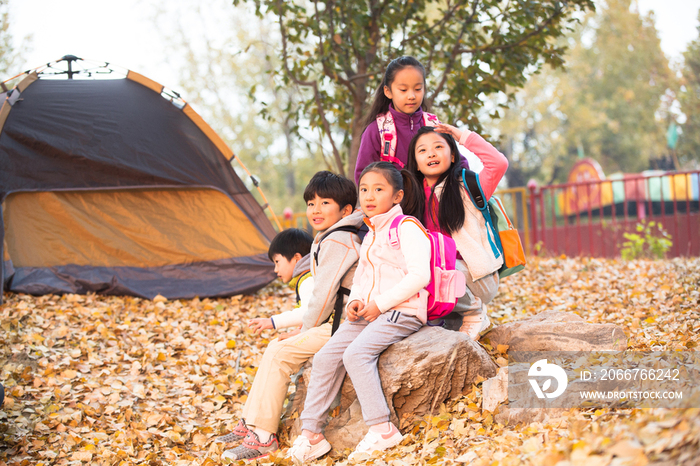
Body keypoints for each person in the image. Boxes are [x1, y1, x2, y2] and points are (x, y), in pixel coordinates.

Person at [288, 162, 431, 463]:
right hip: (371, 311)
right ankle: (311, 435)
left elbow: (420, 276)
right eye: (364, 189)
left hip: (401, 312)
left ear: (397, 196)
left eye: (378, 189)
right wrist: (358, 301)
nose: (369, 195)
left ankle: (383, 430)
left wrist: (379, 304)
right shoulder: (370, 233)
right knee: (327, 355)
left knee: (355, 355)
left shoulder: (406, 228)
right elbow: (364, 278)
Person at [219, 171, 365, 461]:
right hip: (333, 323)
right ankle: (250, 424)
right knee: (276, 348)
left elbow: (323, 297)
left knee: (280, 351)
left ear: (346, 210)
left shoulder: (339, 240)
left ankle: (263, 438)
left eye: (325, 203)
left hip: (344, 325)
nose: (315, 210)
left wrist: (303, 331)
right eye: (311, 203)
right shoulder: (331, 237)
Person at [406, 125, 508, 339]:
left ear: (452, 156)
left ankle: (475, 309)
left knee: (429, 269)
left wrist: (462, 136)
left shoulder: (468, 186)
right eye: (422, 150)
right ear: (415, 162)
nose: (431, 153)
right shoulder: (411, 198)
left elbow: (498, 163)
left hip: (477, 277)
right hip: (440, 282)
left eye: (438, 147)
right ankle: (456, 315)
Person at [354, 56, 470, 184]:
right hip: (394, 202)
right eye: (403, 90)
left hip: (435, 202)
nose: (411, 96)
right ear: (388, 91)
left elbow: (459, 162)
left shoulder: (435, 125)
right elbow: (363, 176)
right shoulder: (376, 130)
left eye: (418, 89)